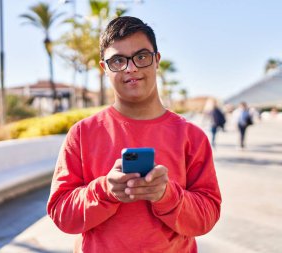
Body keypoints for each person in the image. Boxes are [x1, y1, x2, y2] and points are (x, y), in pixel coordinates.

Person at [47, 16, 222, 253]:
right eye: (118, 60)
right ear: (104, 68)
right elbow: (61, 213)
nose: (131, 68)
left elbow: (207, 216)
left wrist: (166, 194)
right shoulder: (82, 134)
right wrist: (105, 191)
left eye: (141, 57)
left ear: (156, 60)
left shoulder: (192, 136)